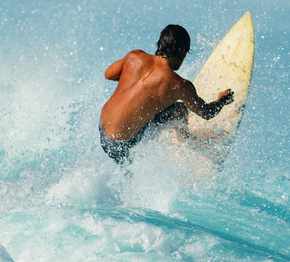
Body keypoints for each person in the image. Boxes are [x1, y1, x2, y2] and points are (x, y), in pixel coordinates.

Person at [99, 24, 233, 164]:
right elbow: (207, 113)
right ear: (182, 51)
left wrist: (131, 79)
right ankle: (190, 141)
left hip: (103, 126)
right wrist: (222, 100)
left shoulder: (134, 56)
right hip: (122, 146)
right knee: (181, 110)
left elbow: (108, 75)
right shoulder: (179, 85)